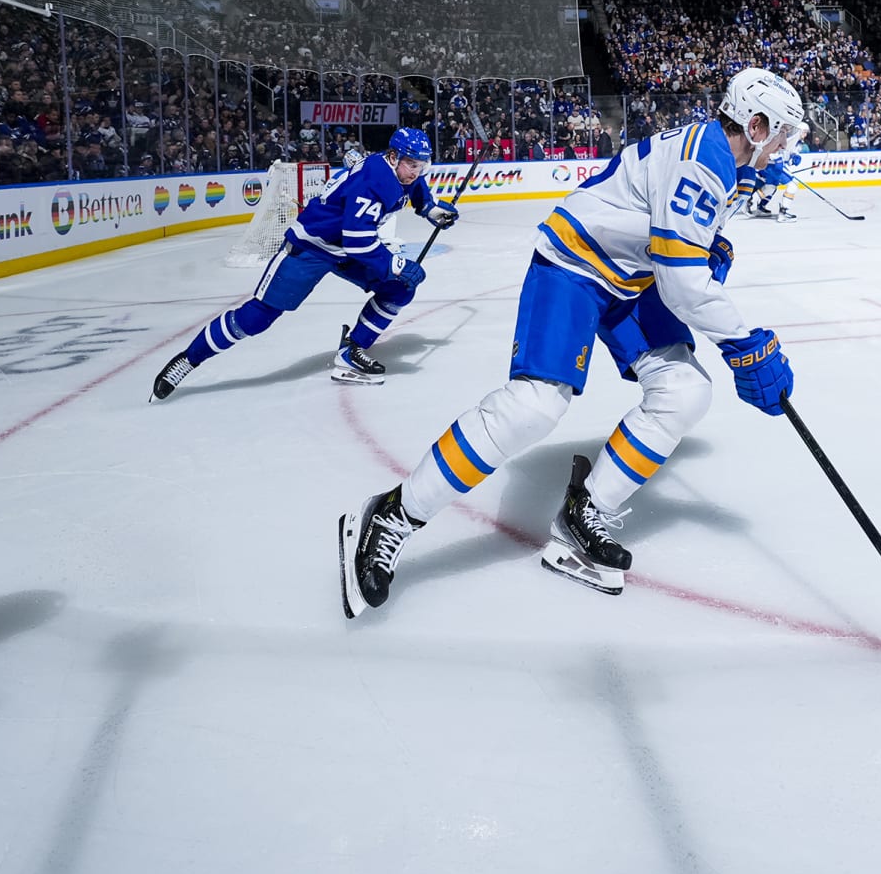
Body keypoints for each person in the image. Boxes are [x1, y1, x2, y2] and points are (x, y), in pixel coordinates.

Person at [338, 68, 805, 616]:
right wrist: (745, 345)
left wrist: (714, 243)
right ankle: (392, 514)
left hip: (632, 276)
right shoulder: (704, 162)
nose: (785, 146)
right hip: (576, 264)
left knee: (685, 392)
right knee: (533, 407)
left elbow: (687, 238)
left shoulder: (733, 162)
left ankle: (585, 511)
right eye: (781, 134)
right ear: (755, 125)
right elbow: (682, 282)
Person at [150, 127, 456, 400]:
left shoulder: (399, 171)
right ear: (393, 156)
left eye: (421, 165)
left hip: (344, 249)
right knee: (258, 317)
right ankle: (189, 359)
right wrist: (396, 265)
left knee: (399, 289)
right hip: (312, 247)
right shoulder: (373, 182)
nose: (416, 171)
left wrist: (430, 209)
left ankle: (351, 352)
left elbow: (414, 188)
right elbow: (358, 242)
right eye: (412, 164)